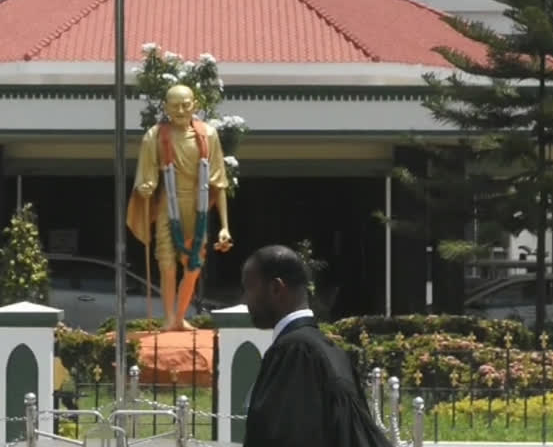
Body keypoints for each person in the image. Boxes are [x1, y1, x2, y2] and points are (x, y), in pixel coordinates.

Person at [241, 245, 392, 447]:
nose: (245, 300)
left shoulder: (295, 352)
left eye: (249, 288)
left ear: (276, 288)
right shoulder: (331, 351)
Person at [126, 84, 233, 331]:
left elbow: (219, 182)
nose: (181, 110)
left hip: (198, 206)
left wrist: (225, 226)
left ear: (195, 105)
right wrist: (146, 186)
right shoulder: (155, 135)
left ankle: (180, 316)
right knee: (166, 263)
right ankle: (169, 319)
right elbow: (147, 173)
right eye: (175, 105)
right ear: (166, 108)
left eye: (186, 104)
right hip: (167, 204)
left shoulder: (208, 135)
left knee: (193, 265)